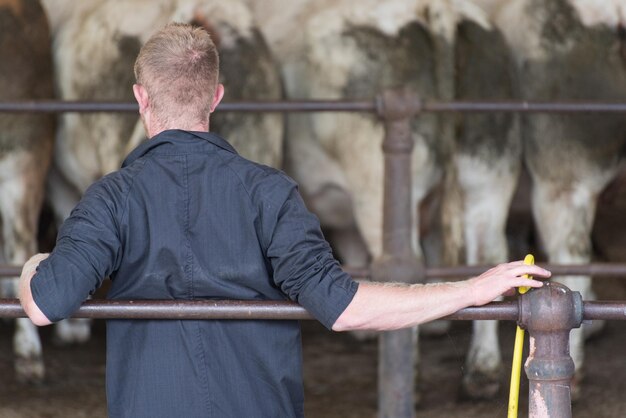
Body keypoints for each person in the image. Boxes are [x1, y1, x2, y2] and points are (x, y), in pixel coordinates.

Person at [18, 23, 550, 418]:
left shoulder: (111, 198)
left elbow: (43, 305)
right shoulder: (270, 193)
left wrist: (33, 265)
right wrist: (471, 289)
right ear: (217, 98)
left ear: (140, 98)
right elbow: (346, 309)